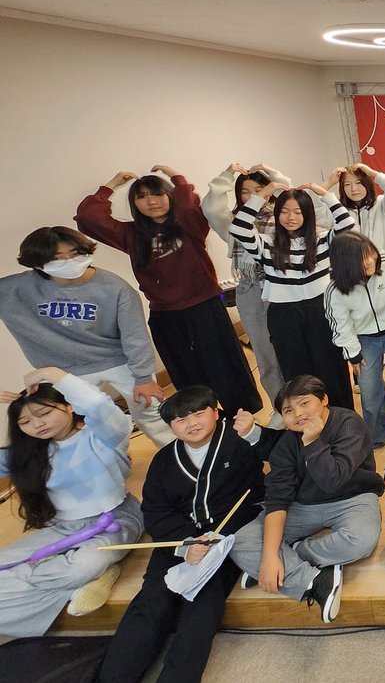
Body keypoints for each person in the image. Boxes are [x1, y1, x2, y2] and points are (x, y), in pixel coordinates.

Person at [95, 387, 264, 683]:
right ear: (170, 426)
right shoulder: (163, 460)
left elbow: (260, 491)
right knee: (151, 603)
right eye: (181, 419)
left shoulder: (239, 443)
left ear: (216, 411)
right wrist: (186, 543)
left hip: (222, 544)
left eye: (199, 413)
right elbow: (155, 511)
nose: (192, 423)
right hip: (177, 542)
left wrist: (255, 433)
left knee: (201, 611)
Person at [76, 167, 262, 414]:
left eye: (158, 194)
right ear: (134, 203)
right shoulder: (131, 234)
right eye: (142, 197)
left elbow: (188, 205)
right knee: (184, 371)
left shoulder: (188, 223)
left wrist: (177, 178)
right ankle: (199, 418)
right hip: (165, 314)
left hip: (205, 306)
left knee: (225, 364)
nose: (151, 201)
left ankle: (245, 416)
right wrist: (111, 184)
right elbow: (88, 218)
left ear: (170, 196)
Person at [0, 367, 143, 637]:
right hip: (63, 527)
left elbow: (98, 404)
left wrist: (52, 373)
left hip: (116, 519)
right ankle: (92, 578)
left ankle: (67, 574)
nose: (37, 425)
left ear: (69, 406)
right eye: (25, 422)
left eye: (44, 413)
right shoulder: (29, 453)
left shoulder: (103, 437)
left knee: (81, 567)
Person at [0, 226, 173, 446]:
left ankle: (178, 455)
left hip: (119, 360)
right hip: (62, 371)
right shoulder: (14, 289)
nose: (69, 262)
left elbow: (135, 336)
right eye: (57, 258)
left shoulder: (114, 287)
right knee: (80, 426)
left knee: (151, 412)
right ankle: (108, 460)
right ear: (37, 265)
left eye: (75, 254)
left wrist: (144, 378)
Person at [230, 375, 383, 623]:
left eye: (304, 403)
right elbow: (277, 499)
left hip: (352, 497)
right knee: (240, 541)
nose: (298, 414)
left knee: (361, 539)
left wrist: (312, 442)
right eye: (288, 410)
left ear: (324, 399)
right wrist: (269, 557)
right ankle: (314, 579)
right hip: (304, 504)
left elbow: (333, 480)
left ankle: (290, 556)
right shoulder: (286, 443)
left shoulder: (348, 424)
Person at [231, 174, 357, 409]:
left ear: (307, 214)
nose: (291, 217)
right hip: (284, 315)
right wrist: (262, 194)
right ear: (277, 213)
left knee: (332, 369)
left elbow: (346, 223)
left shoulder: (321, 240)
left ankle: (342, 419)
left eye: (298, 212)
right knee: (297, 375)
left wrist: (323, 193)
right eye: (285, 211)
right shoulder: (267, 244)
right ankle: (305, 421)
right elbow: (238, 227)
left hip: (321, 310)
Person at [202, 163, 292, 418]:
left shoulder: (284, 216)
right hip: (250, 289)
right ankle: (281, 408)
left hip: (284, 286)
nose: (254, 195)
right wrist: (227, 174)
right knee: (265, 355)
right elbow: (211, 208)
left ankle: (304, 402)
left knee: (291, 349)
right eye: (246, 191)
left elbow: (291, 192)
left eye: (259, 189)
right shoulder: (233, 223)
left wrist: (272, 174)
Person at [326, 231, 385, 449]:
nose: (369, 261)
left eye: (370, 253)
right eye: (361, 258)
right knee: (369, 389)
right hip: (364, 339)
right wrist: (353, 354)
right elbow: (340, 325)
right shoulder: (335, 290)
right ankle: (378, 431)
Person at [336, 162, 385, 256]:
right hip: (350, 264)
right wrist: (329, 182)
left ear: (367, 183)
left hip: (382, 264)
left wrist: (372, 173)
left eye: (358, 183)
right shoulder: (339, 210)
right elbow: (320, 214)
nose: (353, 189)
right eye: (347, 184)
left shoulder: (382, 205)